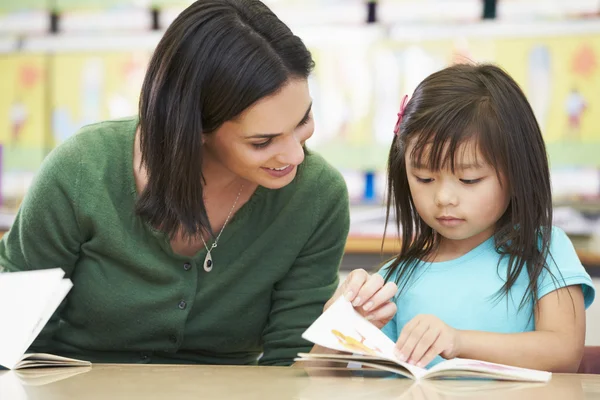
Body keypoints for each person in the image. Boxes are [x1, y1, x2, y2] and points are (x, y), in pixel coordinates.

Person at [0, 0, 397, 367]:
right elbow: (13, 333)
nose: (295, 156)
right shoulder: (83, 169)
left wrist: (333, 338)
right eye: (262, 141)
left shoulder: (316, 195)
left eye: (303, 122)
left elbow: (289, 365)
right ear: (194, 129)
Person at [380, 63, 595, 372]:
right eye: (425, 178)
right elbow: (364, 371)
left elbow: (563, 351)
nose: (444, 198)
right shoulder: (394, 278)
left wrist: (458, 341)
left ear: (516, 171)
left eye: (469, 180)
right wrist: (344, 318)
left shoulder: (543, 251)